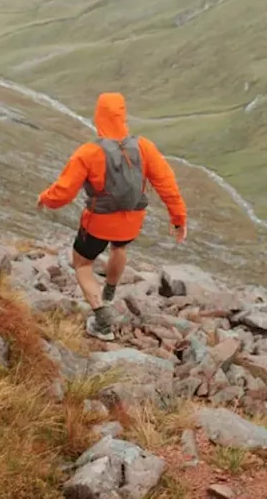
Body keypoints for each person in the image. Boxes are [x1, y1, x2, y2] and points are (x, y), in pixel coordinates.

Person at [37, 92, 188, 340]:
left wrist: (45, 198)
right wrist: (178, 218)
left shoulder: (88, 152)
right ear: (123, 116)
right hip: (132, 221)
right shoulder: (144, 147)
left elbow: (63, 192)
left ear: (99, 117)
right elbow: (167, 185)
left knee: (82, 263)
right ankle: (109, 292)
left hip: (98, 222)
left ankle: (101, 316)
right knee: (119, 249)